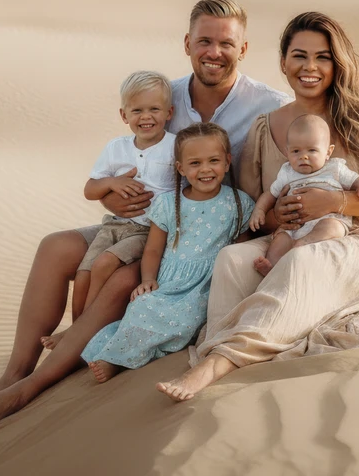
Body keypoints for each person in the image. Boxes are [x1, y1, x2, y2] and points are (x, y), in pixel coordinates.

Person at [0, 0, 288, 427]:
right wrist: (111, 196)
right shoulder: (165, 95)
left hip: (202, 235)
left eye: (226, 43)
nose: (214, 52)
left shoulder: (269, 105)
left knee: (125, 278)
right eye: (204, 40)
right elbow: (129, 163)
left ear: (243, 49)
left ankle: (32, 388)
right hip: (143, 219)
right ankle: (13, 373)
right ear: (187, 43)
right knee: (55, 248)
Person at [157, 11, 359, 403]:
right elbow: (254, 206)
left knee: (301, 263)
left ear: (337, 64)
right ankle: (219, 343)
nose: (310, 67)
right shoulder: (266, 126)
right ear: (283, 62)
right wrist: (274, 218)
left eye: (323, 57)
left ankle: (220, 363)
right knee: (233, 260)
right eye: (299, 56)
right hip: (287, 236)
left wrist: (336, 200)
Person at [81, 123, 254, 383]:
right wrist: (148, 280)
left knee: (187, 319)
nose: (205, 170)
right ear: (181, 169)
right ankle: (114, 356)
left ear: (228, 162)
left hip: (207, 285)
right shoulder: (168, 203)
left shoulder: (239, 202)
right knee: (142, 306)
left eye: (214, 161)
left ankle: (125, 358)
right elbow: (152, 249)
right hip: (169, 280)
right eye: (195, 163)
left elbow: (241, 250)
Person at [40, 71, 176, 350]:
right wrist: (112, 182)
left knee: (104, 264)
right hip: (115, 224)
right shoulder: (116, 148)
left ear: (169, 112)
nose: (146, 117)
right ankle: (77, 331)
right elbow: (90, 189)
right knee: (84, 272)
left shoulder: (175, 146)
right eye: (137, 110)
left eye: (154, 109)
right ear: (124, 115)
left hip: (150, 229)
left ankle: (80, 333)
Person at [247, 113, 359, 277]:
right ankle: (272, 268)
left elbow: (355, 180)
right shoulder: (287, 172)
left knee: (332, 227)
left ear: (328, 152)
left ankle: (305, 244)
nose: (303, 156)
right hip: (295, 227)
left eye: (312, 150)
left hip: (326, 220)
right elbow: (270, 194)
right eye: (296, 151)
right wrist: (259, 210)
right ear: (287, 152)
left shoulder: (334, 169)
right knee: (280, 240)